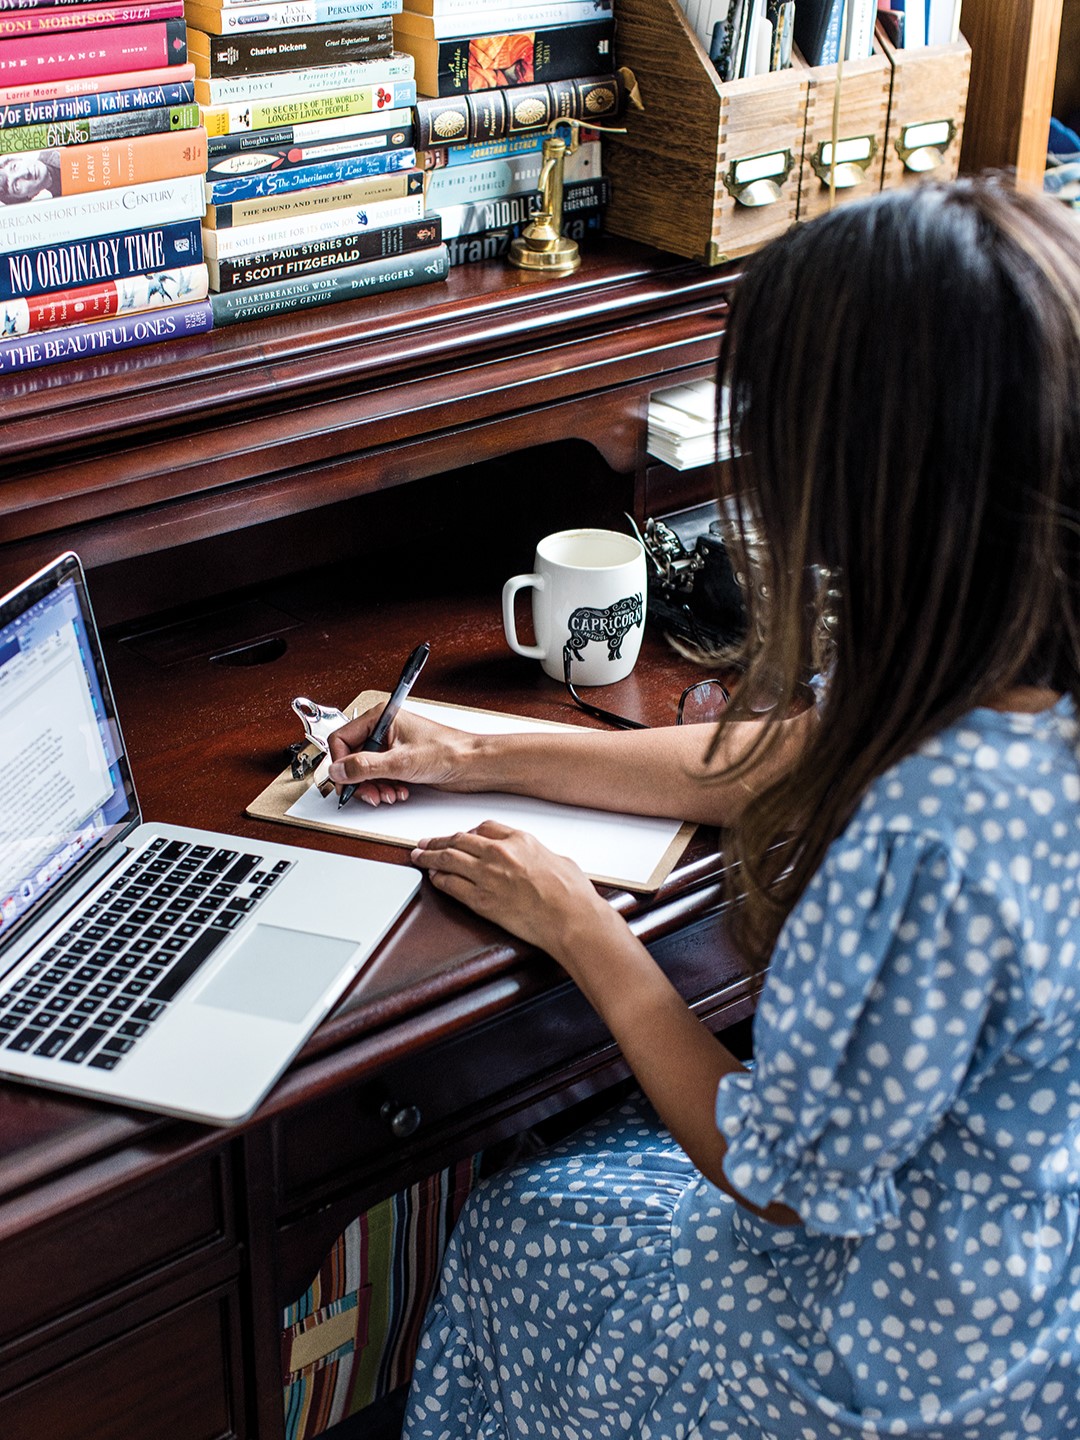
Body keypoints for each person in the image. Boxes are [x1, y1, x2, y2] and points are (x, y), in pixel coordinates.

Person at [326, 176, 1080, 1439]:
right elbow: (777, 751)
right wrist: (482, 746)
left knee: (519, 1222)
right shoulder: (1009, 688)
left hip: (894, 1370)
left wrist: (586, 931)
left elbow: (785, 1185)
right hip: (1034, 1294)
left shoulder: (926, 834)